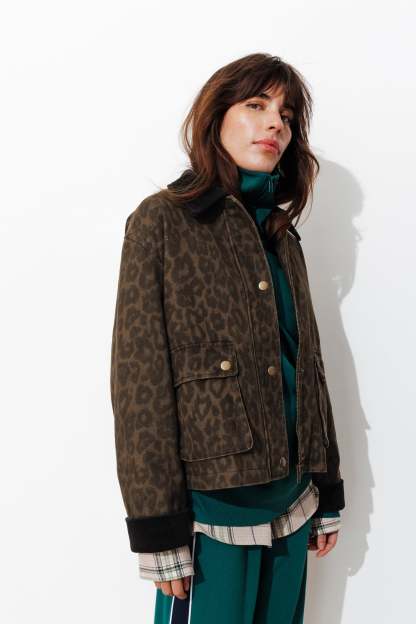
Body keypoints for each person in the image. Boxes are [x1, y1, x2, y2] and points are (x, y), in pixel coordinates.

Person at [110, 53, 345, 624]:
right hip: (211, 514)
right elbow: (139, 385)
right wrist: (157, 527)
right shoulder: (162, 223)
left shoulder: (281, 236)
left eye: (286, 115)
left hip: (294, 503)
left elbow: (307, 367)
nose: (275, 125)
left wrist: (326, 486)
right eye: (256, 105)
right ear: (216, 116)